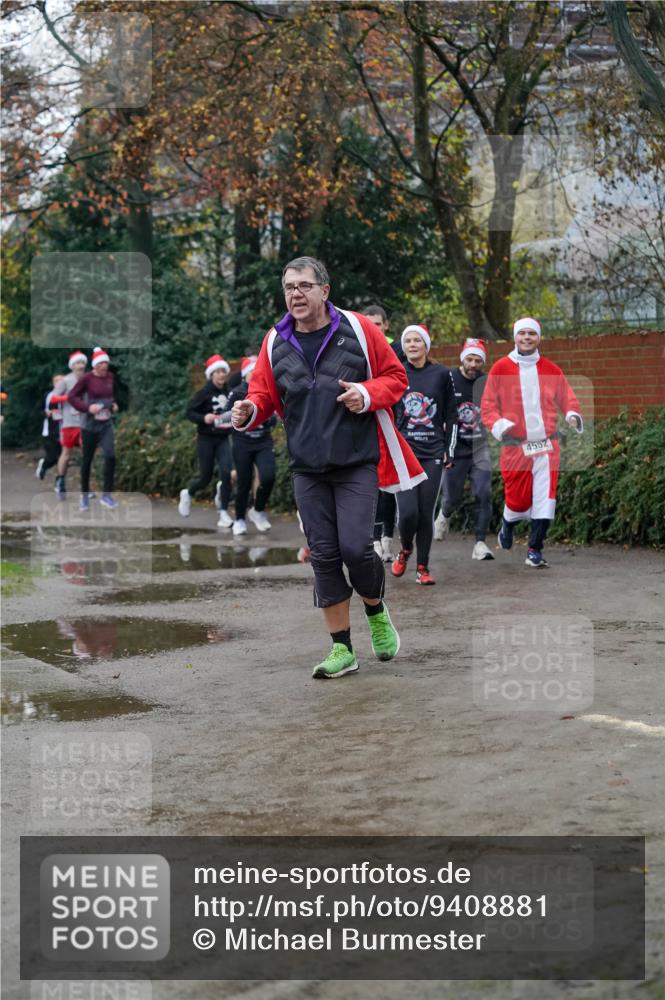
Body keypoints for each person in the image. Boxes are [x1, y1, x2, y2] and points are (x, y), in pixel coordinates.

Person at [232, 256, 424, 680]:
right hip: (307, 467)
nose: (295, 294)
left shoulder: (358, 328)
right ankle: (342, 649)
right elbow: (263, 393)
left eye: (304, 285)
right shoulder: (275, 340)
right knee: (323, 554)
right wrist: (250, 409)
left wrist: (365, 394)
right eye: (289, 287)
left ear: (324, 290)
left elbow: (396, 378)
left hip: (356, 462)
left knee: (356, 548)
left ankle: (375, 608)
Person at [481, 317, 583, 568]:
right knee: (518, 500)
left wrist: (572, 414)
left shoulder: (551, 369)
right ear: (515, 337)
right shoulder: (500, 368)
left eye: (532, 334)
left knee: (545, 499)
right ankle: (508, 523)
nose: (527, 338)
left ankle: (535, 549)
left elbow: (567, 397)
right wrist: (500, 426)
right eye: (522, 333)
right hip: (515, 446)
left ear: (539, 338)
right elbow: (488, 406)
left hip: (547, 446)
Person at [391, 324, 457, 585]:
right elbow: (386, 412)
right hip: (404, 453)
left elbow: (451, 415)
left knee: (425, 512)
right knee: (408, 513)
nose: (412, 345)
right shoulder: (396, 372)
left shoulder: (441, 374)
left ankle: (423, 567)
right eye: (408, 341)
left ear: (426, 346)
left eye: (417, 340)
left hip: (432, 452)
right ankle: (406, 548)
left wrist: (449, 450)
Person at [435, 338, 494, 560]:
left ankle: (480, 543)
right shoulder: (449, 378)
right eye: (469, 359)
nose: (473, 364)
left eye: (478, 360)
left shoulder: (486, 382)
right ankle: (444, 514)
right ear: (462, 359)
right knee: (452, 497)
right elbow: (437, 405)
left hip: (479, 446)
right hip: (455, 446)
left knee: (483, 492)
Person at [362, 303, 402, 563]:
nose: (373, 329)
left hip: (393, 423)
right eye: (369, 324)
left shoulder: (397, 349)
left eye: (377, 324)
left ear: (386, 325)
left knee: (390, 486)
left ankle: (388, 537)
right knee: (373, 484)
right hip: (366, 423)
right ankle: (375, 539)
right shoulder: (356, 346)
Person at [179, 354, 234, 528]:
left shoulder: (230, 392)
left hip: (223, 438)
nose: (221, 375)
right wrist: (204, 418)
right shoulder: (203, 393)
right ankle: (188, 493)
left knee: (227, 473)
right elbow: (189, 412)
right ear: (211, 375)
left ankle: (223, 512)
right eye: (218, 372)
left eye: (223, 371)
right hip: (206, 439)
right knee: (205, 477)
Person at [225, 355, 277, 536]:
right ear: (245, 375)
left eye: (258, 371)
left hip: (263, 441)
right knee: (244, 482)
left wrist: (268, 419)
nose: (256, 374)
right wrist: (238, 416)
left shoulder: (268, 390)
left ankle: (258, 510)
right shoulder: (237, 393)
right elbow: (227, 416)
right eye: (252, 372)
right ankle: (239, 519)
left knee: (268, 477)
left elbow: (275, 416)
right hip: (242, 443)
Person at [67, 347, 119, 510]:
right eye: (101, 363)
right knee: (87, 459)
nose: (105, 366)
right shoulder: (87, 379)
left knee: (110, 456)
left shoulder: (110, 377)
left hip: (106, 424)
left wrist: (113, 404)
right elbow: (72, 397)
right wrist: (87, 408)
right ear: (95, 365)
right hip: (89, 425)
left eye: (106, 363)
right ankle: (84, 495)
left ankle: (106, 495)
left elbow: (109, 396)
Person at [51, 351, 87, 498]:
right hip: (69, 423)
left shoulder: (89, 379)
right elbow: (53, 398)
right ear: (72, 366)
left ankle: (85, 487)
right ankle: (60, 482)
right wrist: (69, 397)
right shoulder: (65, 381)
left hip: (84, 423)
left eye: (82, 362)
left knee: (87, 452)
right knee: (66, 454)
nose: (80, 365)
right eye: (78, 363)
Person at [36, 374, 65, 481]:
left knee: (63, 458)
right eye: (57, 381)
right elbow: (38, 410)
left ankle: (60, 481)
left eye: (61, 381)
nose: (59, 383)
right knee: (53, 457)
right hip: (49, 431)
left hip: (64, 430)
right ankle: (44, 464)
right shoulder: (48, 396)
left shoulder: (69, 395)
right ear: (53, 383)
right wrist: (46, 413)